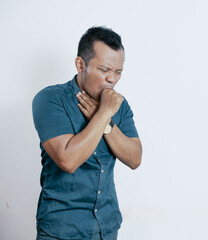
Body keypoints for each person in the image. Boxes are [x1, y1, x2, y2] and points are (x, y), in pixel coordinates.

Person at [32, 26, 142, 240]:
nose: (112, 79)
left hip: (106, 228)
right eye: (104, 70)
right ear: (80, 64)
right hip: (61, 230)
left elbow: (135, 158)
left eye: (118, 72)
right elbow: (68, 160)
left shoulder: (119, 105)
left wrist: (106, 121)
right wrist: (103, 114)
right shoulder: (50, 99)